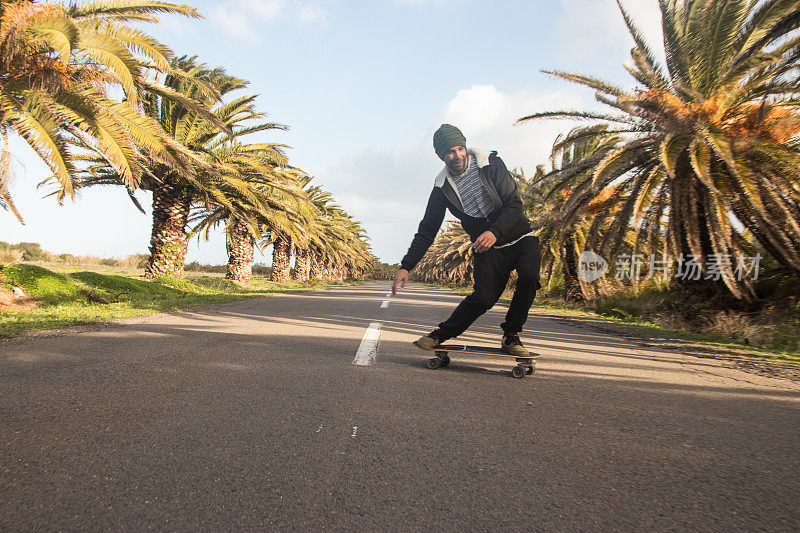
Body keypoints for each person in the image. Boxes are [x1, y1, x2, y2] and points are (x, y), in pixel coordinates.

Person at [391, 124, 541, 357]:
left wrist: (494, 232)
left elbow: (514, 203)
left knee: (529, 277)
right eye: (449, 152)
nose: (457, 156)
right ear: (441, 156)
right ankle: (440, 334)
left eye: (460, 148)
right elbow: (427, 230)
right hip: (487, 249)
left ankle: (511, 336)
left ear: (465, 147)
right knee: (483, 298)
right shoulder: (441, 188)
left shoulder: (490, 164)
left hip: (520, 237)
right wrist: (406, 266)